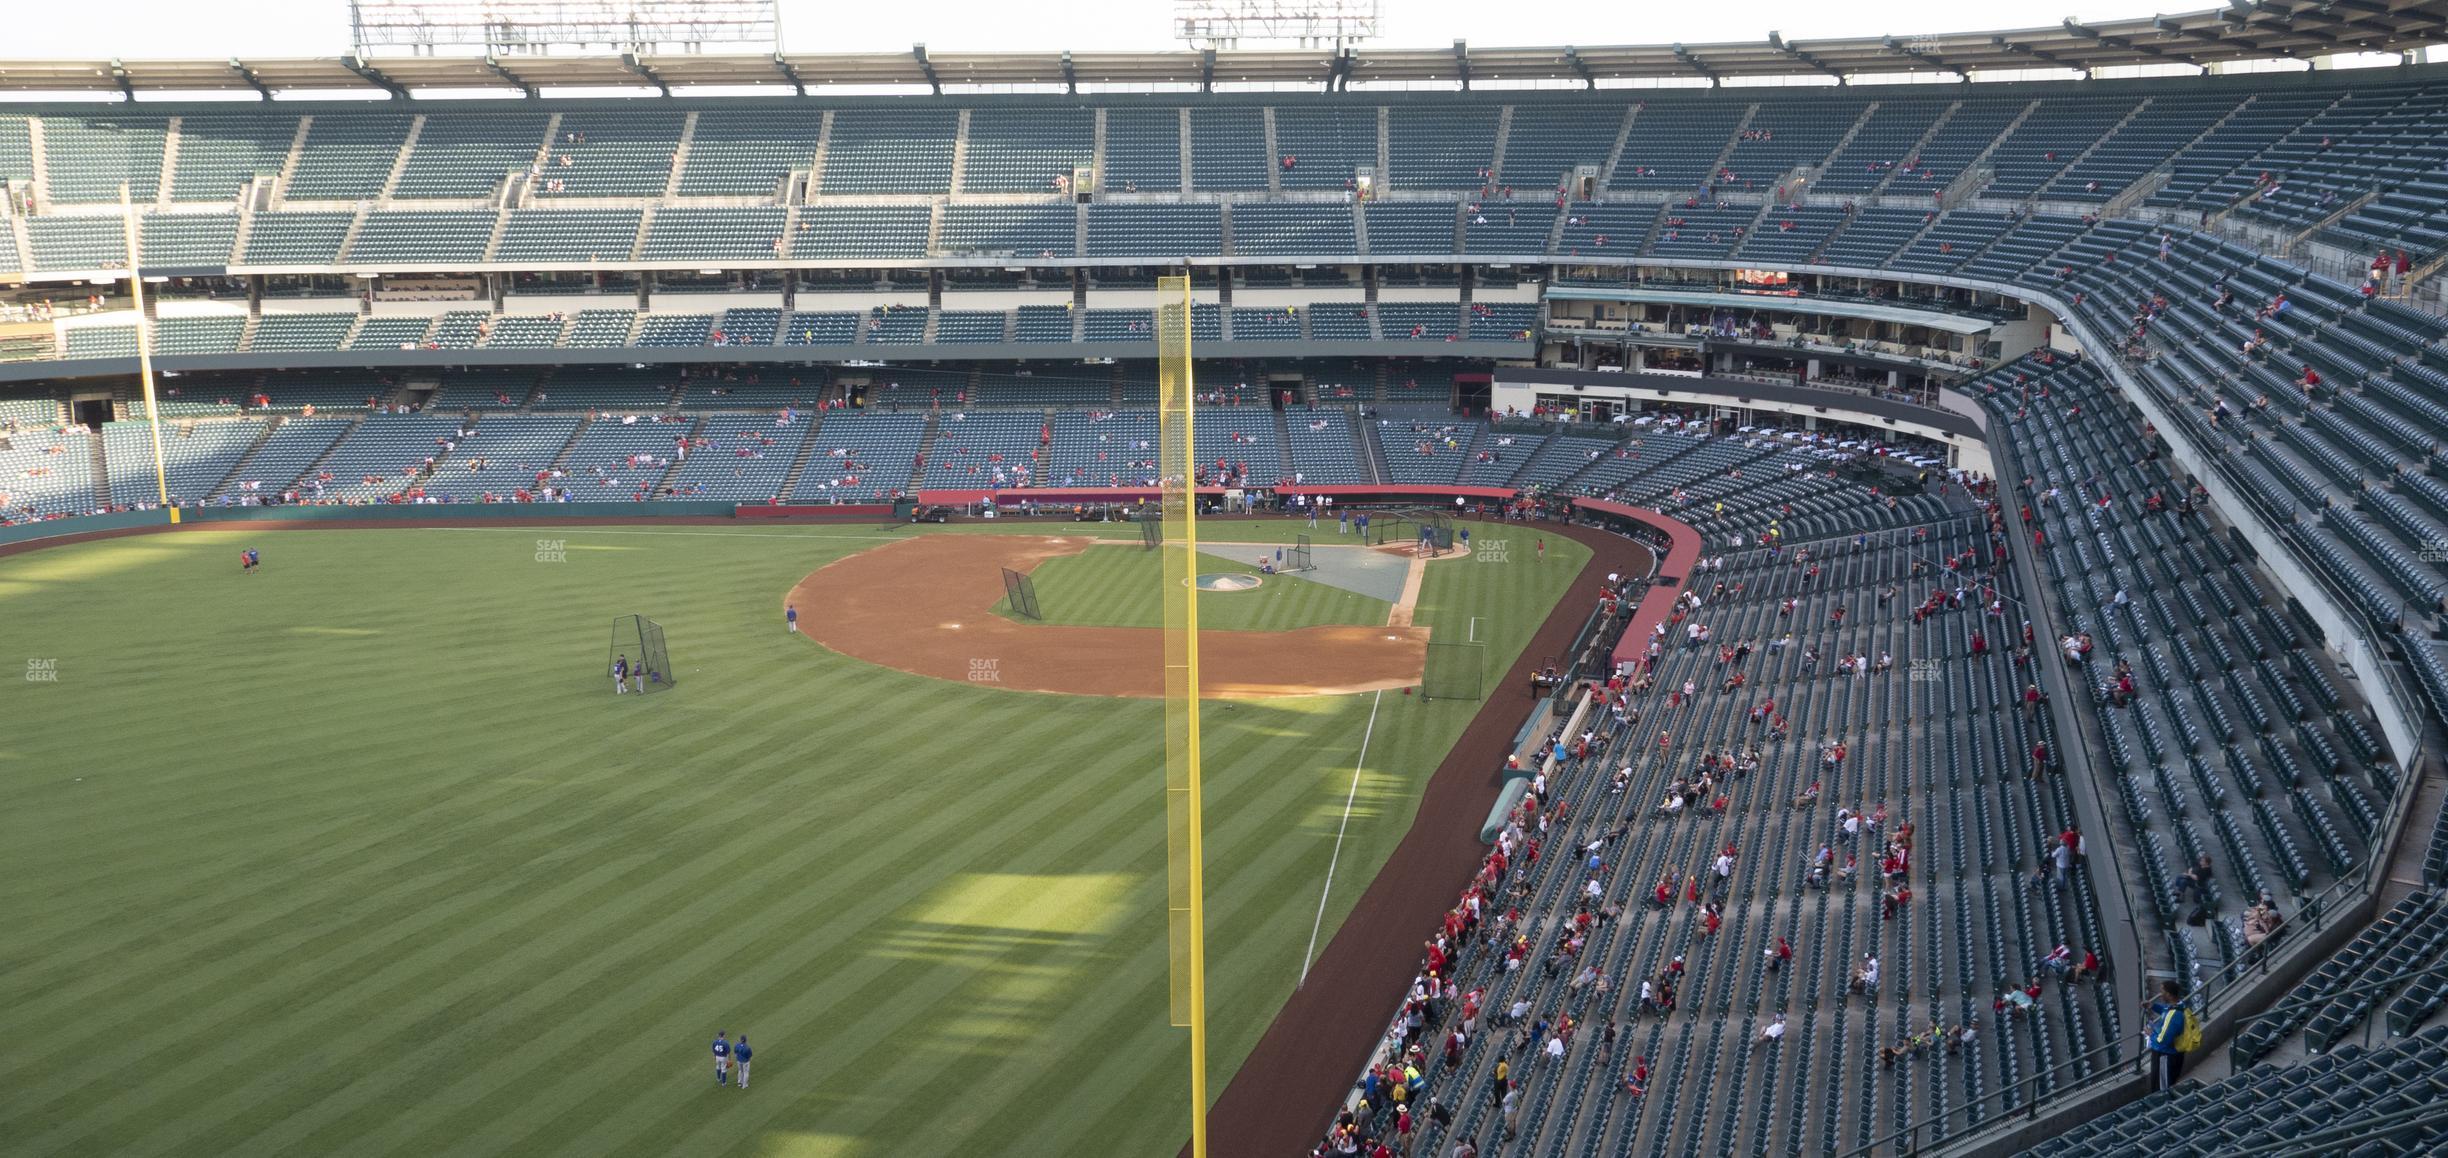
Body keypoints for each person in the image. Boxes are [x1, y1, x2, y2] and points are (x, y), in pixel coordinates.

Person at [2146, 980, 2189, 1090]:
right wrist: (2153, 1006)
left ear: (2169, 995)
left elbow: (2163, 1041)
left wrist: (2150, 1034)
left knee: (2161, 1089)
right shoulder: (2178, 1006)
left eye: (2162, 992)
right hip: (2171, 1055)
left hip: (2166, 1056)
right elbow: (2165, 1010)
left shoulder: (2174, 1015)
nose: (2160, 994)